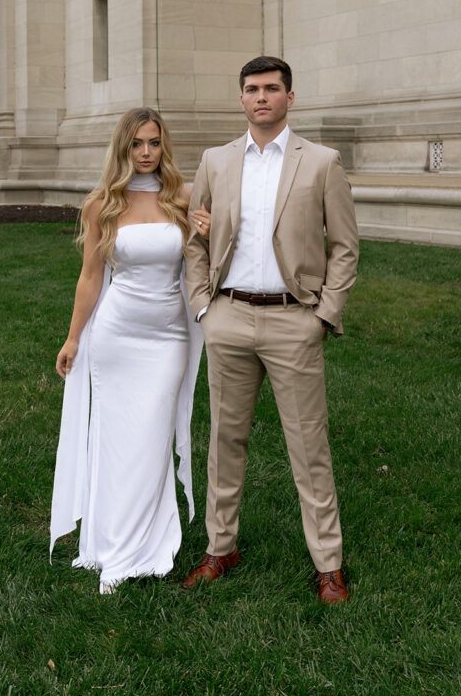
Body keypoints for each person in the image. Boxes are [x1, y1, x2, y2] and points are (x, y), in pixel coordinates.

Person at [183, 56, 359, 603]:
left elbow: (345, 247)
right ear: (240, 98)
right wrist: (203, 310)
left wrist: (324, 316)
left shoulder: (322, 162)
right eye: (252, 89)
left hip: (294, 320)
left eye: (272, 88)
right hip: (229, 317)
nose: (262, 97)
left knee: (309, 447)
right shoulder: (215, 160)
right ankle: (220, 547)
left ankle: (327, 563)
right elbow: (196, 239)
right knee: (224, 441)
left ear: (289, 97)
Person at [50, 107, 211, 594]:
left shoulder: (183, 197)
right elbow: (91, 276)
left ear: (164, 146)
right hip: (117, 335)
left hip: (168, 338)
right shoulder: (102, 204)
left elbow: (212, 259)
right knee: (116, 440)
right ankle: (114, 543)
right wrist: (74, 337)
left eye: (154, 143)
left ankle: (139, 543)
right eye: (137, 144)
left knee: (153, 436)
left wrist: (210, 228)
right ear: (123, 148)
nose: (145, 153)